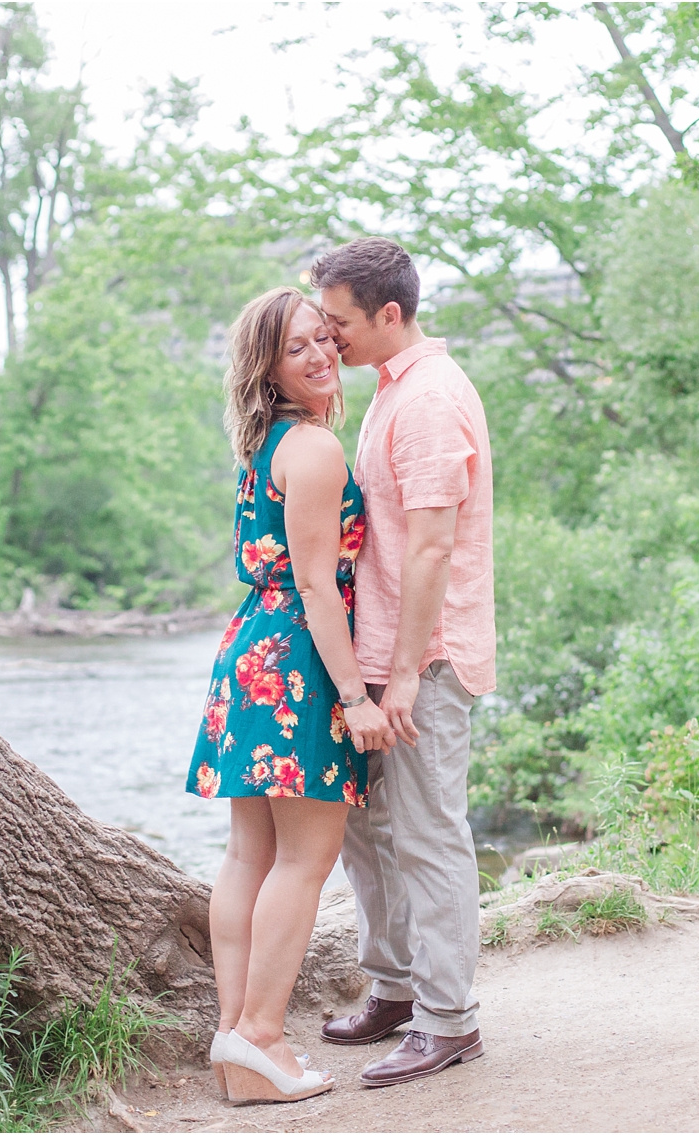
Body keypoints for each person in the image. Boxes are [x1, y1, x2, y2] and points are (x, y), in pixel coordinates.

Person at [186, 286, 396, 1104]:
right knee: (303, 861)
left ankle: (237, 1041)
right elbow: (317, 582)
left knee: (251, 855)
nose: (317, 355)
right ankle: (262, 1035)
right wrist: (358, 696)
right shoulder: (312, 448)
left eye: (322, 338)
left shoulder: (267, 443)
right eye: (296, 347)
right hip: (301, 664)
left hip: (253, 651)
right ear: (268, 369)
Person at [311, 238, 496, 1088]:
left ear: (390, 314)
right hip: (379, 653)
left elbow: (430, 550)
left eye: (340, 321)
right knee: (367, 830)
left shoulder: (427, 400)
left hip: (422, 657)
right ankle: (393, 987)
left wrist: (414, 671)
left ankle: (449, 1020)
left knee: (427, 835)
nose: (329, 335)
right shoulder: (392, 390)